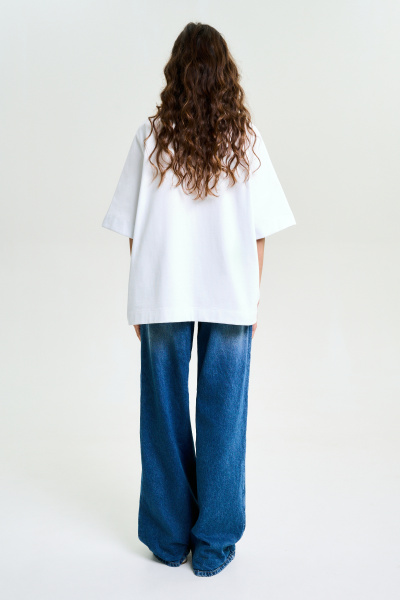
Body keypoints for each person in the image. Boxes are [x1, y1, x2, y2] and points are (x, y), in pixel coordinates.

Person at [102, 22, 296, 577]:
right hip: (231, 291)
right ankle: (213, 544)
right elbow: (260, 233)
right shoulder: (245, 139)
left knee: (162, 414)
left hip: (162, 291)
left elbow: (134, 229)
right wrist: (253, 300)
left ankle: (168, 540)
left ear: (175, 73)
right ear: (225, 74)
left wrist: (140, 296)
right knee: (224, 418)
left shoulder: (151, 136)